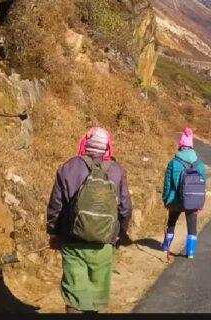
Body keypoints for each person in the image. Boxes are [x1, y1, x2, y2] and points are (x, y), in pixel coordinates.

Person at [47, 126, 133, 313]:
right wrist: (119, 234)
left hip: (72, 243)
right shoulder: (117, 171)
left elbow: (55, 207)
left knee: (75, 295)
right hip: (103, 245)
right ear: (106, 147)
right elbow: (125, 208)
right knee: (94, 298)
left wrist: (54, 232)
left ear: (86, 144)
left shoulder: (68, 167)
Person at [161, 127, 208, 259]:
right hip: (193, 200)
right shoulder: (200, 164)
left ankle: (166, 246)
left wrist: (165, 199)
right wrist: (200, 204)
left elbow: (167, 185)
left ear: (180, 146)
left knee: (171, 222)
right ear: (192, 146)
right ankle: (190, 252)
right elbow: (203, 184)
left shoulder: (173, 162)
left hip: (175, 199)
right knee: (192, 226)